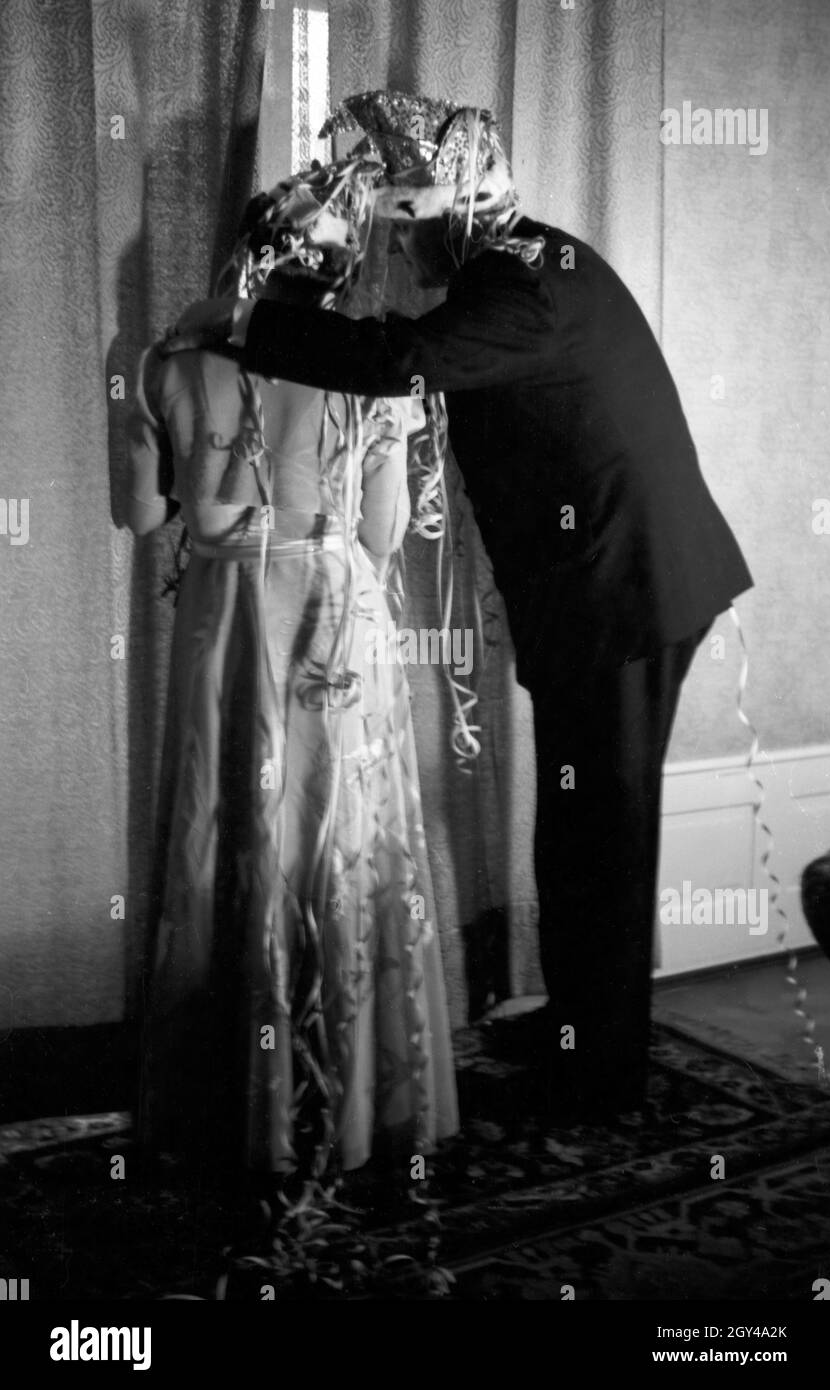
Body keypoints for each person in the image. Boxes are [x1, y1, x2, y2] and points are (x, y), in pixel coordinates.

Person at [163, 91, 754, 1122]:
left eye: (408, 217)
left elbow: (399, 363)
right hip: (613, 582)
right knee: (582, 826)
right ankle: (579, 1026)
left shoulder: (518, 287)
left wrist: (249, 323)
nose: (398, 241)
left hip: (628, 588)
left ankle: (598, 1078)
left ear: (458, 208)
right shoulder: (524, 267)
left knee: (599, 836)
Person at [124, 152, 459, 1189]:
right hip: (333, 616)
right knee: (342, 843)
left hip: (231, 621)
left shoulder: (158, 364)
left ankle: (231, 1107)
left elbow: (139, 518)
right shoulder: (369, 376)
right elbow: (384, 532)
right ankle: (352, 1106)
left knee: (228, 836)